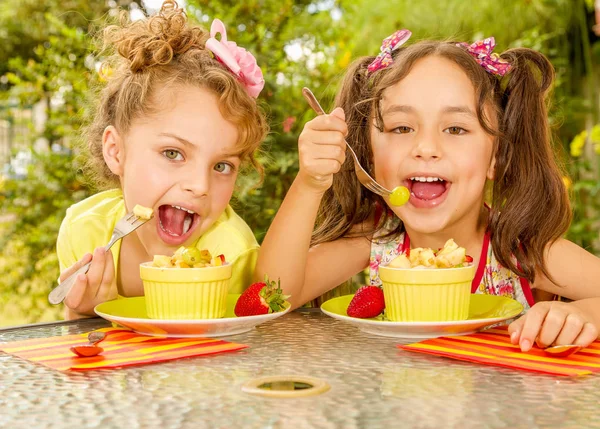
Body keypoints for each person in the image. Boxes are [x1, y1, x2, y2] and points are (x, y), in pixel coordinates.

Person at [256, 31, 600, 350]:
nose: (426, 147)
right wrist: (309, 184)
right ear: (368, 154)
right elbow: (274, 294)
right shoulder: (378, 242)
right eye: (402, 127)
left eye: (455, 128)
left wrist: (586, 314)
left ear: (497, 158)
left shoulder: (523, 254)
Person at [56, 0, 267, 319]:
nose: (199, 186)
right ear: (116, 151)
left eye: (221, 166)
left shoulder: (233, 255)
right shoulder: (83, 231)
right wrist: (84, 314)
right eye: (173, 153)